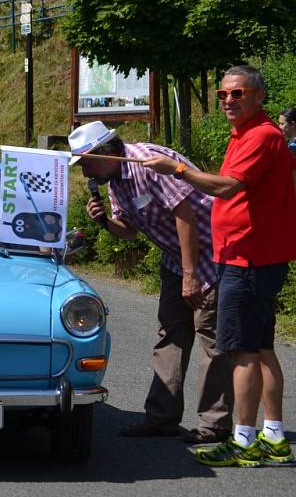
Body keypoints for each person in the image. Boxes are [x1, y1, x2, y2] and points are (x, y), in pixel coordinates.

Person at [144, 65, 296, 467]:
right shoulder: (247, 134)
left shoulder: (261, 135)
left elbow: (228, 186)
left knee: (241, 351)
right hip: (250, 257)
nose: (229, 100)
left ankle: (244, 441)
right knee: (261, 348)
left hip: (247, 258)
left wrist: (177, 169)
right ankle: (274, 435)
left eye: (238, 93)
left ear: (259, 97)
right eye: (224, 94)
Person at [68, 121, 233, 444]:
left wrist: (190, 275)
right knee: (170, 334)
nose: (85, 173)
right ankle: (161, 418)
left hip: (210, 254)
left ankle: (215, 423)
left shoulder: (148, 162)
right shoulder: (116, 182)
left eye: (86, 162)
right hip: (175, 259)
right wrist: (104, 221)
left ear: (107, 153)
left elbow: (185, 215)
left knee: (210, 337)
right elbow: (129, 230)